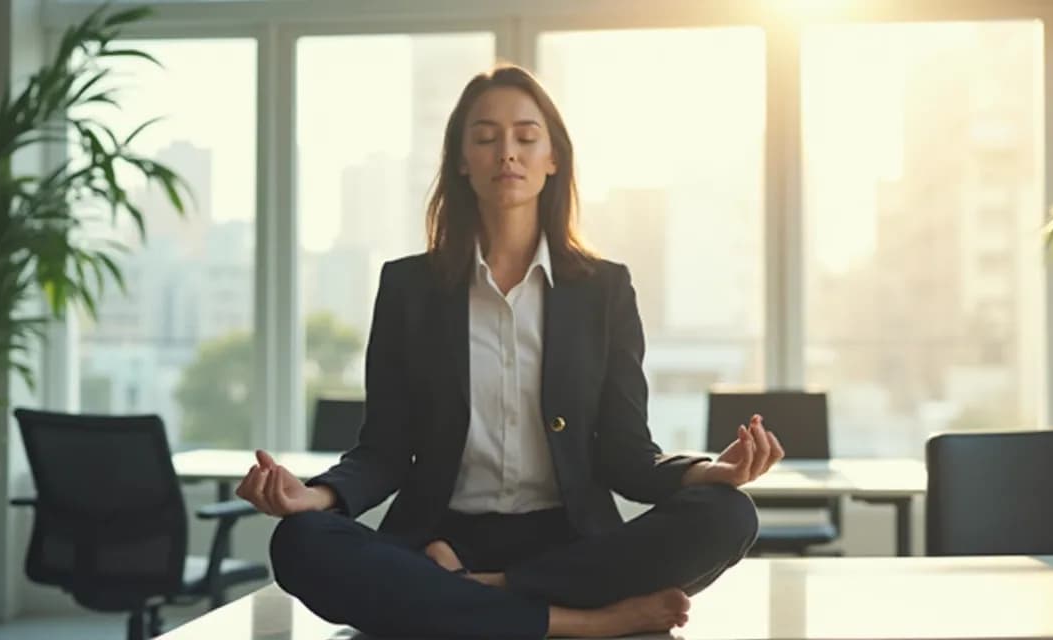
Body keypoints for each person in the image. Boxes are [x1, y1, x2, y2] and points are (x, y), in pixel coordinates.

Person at [234, 64, 784, 639]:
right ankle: (577, 622)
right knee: (300, 542)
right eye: (485, 138)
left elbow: (626, 455)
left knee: (728, 515)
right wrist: (315, 495)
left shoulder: (604, 289)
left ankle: (486, 592)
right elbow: (386, 450)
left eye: (526, 137)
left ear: (553, 160)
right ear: (461, 162)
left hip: (565, 541)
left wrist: (705, 473)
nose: (507, 154)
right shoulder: (408, 288)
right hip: (441, 534)